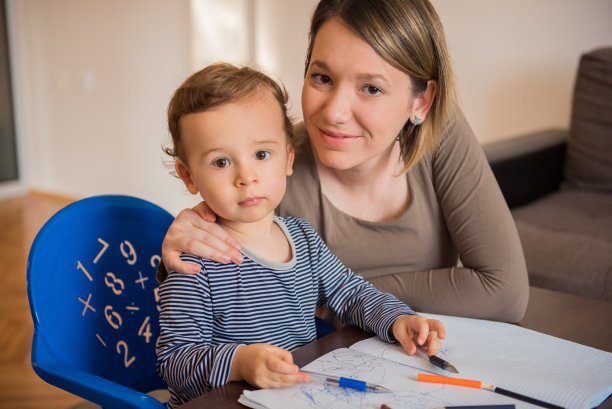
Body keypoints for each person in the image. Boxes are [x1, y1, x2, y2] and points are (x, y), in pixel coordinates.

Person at [159, 0, 529, 323]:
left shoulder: (442, 133)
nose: (334, 113)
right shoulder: (268, 170)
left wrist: (345, 296)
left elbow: (505, 292)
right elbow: (221, 305)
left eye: (371, 88)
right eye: (322, 78)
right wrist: (180, 251)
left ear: (421, 102)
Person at [156, 63, 446, 408]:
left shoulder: (303, 238)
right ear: (189, 176)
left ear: (288, 158)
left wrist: (398, 318)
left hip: (298, 395)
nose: (246, 176)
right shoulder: (196, 260)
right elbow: (174, 361)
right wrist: (240, 362)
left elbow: (352, 294)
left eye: (262, 154)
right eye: (221, 162)